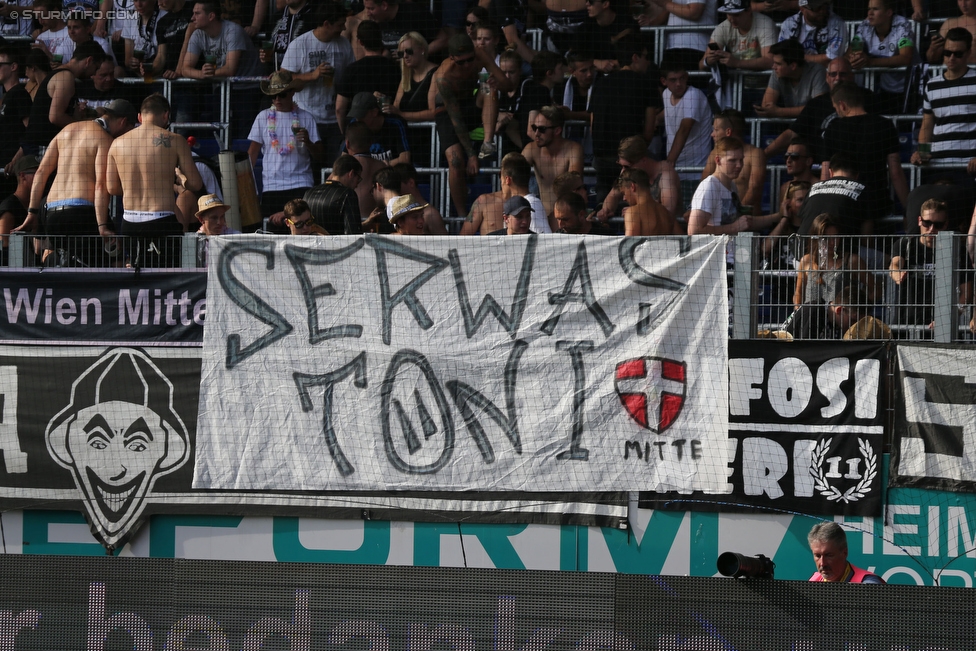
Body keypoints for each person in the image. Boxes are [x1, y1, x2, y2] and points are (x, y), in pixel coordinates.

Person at [18, 99, 136, 268]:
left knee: (61, 255)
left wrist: (32, 212)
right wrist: (102, 226)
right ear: (124, 122)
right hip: (81, 213)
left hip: (51, 213)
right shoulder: (104, 139)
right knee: (114, 258)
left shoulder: (66, 130)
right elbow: (101, 186)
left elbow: (41, 172)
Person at [105, 94, 203, 267]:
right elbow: (196, 184)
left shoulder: (117, 143)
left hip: (130, 220)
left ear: (139, 117)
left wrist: (132, 186)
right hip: (161, 220)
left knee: (137, 277)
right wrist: (180, 179)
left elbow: (112, 188)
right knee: (166, 278)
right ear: (166, 115)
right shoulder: (175, 140)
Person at [430, 33, 503, 217]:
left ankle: (488, 142)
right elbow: (455, 119)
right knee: (455, 160)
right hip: (447, 111)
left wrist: (497, 81)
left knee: (489, 88)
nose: (468, 65)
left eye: (470, 59)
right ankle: (463, 216)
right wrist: (470, 154)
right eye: (461, 62)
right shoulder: (444, 78)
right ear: (452, 58)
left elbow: (507, 85)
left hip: (469, 103)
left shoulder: (481, 56)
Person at [822, 81, 907, 232]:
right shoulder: (885, 125)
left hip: (843, 203)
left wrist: (824, 205)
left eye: (835, 108)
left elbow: (825, 170)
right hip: (876, 203)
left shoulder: (833, 127)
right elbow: (896, 173)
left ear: (842, 105)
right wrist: (908, 208)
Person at [589, 35, 662, 202]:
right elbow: (649, 131)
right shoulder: (647, 84)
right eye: (645, 56)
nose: (648, 61)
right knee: (631, 204)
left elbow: (593, 126)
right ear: (635, 57)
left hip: (601, 157)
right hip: (631, 160)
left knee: (602, 203)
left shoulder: (600, 84)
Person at [280, 1, 353, 163]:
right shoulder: (300, 45)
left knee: (335, 167)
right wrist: (312, 75)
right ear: (327, 24)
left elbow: (351, 75)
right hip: (307, 117)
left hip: (335, 119)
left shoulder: (344, 44)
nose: (344, 28)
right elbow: (282, 79)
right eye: (340, 24)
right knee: (310, 167)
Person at [891, 198, 973, 337]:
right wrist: (897, 273)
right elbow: (895, 263)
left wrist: (949, 318)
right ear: (919, 221)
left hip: (941, 325)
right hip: (906, 324)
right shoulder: (905, 244)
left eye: (938, 225)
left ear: (945, 225)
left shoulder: (956, 250)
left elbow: (967, 292)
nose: (931, 229)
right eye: (927, 223)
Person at [248, 70, 321, 223]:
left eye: (282, 94)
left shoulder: (306, 117)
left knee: (302, 230)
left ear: (292, 92)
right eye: (273, 96)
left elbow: (321, 155)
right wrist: (247, 188)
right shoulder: (263, 117)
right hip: (272, 186)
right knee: (273, 236)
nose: (277, 99)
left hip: (301, 183)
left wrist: (307, 142)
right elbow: (252, 154)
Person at [180, 0, 261, 139]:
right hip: (221, 85)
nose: (192, 18)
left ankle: (245, 159)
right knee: (219, 129)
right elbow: (184, 69)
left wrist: (208, 74)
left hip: (247, 85)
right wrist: (201, 74)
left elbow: (230, 69)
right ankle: (221, 159)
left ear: (211, 16)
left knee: (244, 131)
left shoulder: (233, 30)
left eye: (197, 13)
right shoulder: (197, 33)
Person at [17, 40, 106, 160]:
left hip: (38, 145)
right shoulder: (65, 77)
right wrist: (86, 127)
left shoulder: (59, 74)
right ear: (88, 61)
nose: (93, 74)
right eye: (96, 68)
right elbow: (55, 116)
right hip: (42, 146)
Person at [913, 27, 976, 179]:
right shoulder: (932, 85)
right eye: (947, 53)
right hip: (938, 164)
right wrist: (922, 152)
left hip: (968, 165)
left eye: (958, 54)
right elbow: (927, 126)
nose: (951, 58)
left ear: (968, 53)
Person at [700, 0, 776, 112]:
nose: (731, 19)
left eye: (736, 14)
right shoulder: (723, 28)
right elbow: (701, 65)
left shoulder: (765, 23)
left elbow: (770, 60)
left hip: (766, 88)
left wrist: (736, 63)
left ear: (749, 10)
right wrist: (708, 60)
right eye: (728, 14)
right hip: (737, 89)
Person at [793, 212, 876, 312]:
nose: (832, 242)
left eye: (835, 237)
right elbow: (798, 294)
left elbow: (876, 289)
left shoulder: (852, 261)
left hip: (841, 324)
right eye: (826, 238)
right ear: (816, 238)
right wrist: (798, 311)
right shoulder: (806, 261)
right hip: (811, 322)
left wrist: (858, 309)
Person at [849, 0, 918, 115]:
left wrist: (870, 62)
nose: (870, 13)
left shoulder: (902, 24)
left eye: (875, 9)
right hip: (886, 88)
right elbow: (853, 51)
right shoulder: (865, 25)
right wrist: (856, 58)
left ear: (889, 12)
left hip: (911, 87)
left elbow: (906, 58)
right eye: (869, 9)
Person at [661, 56, 713, 196]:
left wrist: (669, 163)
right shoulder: (666, 94)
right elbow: (669, 113)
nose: (679, 83)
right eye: (673, 80)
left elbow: (684, 129)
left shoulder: (693, 95)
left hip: (696, 173)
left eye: (682, 78)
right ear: (664, 81)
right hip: (676, 173)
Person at [335, 20, 400, 130]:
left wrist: (345, 133)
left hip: (359, 132)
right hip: (387, 130)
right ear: (381, 39)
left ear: (360, 42)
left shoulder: (351, 70)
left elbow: (339, 109)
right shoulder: (394, 68)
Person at [462, 152, 546, 234]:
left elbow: (543, 242)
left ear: (507, 179)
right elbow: (462, 240)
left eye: (500, 175)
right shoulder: (483, 201)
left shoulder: (532, 204)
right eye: (519, 216)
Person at [598, 136, 680, 219]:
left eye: (627, 166)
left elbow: (669, 212)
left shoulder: (666, 175)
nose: (623, 171)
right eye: (621, 166)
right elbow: (613, 195)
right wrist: (605, 210)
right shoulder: (628, 172)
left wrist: (638, 211)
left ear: (643, 160)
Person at [522, 105, 583, 215]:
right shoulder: (531, 149)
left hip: (566, 216)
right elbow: (514, 175)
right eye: (534, 128)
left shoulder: (573, 149)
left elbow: (573, 185)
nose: (536, 134)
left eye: (542, 129)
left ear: (557, 130)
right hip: (543, 217)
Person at [702, 109, 765, 215]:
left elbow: (755, 188)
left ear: (728, 132)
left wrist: (737, 214)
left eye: (716, 130)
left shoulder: (755, 154)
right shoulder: (714, 154)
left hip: (749, 221)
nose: (712, 134)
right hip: (722, 220)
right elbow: (704, 184)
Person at [688, 136, 752, 236]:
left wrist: (779, 216)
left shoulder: (732, 186)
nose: (739, 165)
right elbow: (694, 230)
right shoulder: (709, 186)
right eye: (732, 160)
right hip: (713, 250)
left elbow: (744, 223)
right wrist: (734, 227)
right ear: (718, 160)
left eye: (741, 160)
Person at [797, 152, 868, 235]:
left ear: (830, 172)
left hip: (801, 245)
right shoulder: (862, 189)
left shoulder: (814, 187)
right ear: (857, 175)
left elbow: (801, 220)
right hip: (838, 246)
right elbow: (866, 235)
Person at [755, 38, 827, 120]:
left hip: (811, 122)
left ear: (793, 66)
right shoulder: (777, 72)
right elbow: (767, 106)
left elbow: (817, 108)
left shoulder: (817, 71)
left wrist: (779, 112)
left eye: (778, 64)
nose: (773, 67)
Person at [302, 153, 364, 235]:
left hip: (309, 246)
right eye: (358, 178)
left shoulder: (308, 193)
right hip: (337, 247)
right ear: (351, 173)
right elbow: (353, 234)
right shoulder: (348, 194)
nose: (357, 184)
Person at [651, 0, 718, 73]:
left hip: (693, 47)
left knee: (687, 82)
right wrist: (651, 23)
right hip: (674, 46)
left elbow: (694, 12)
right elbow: (672, 8)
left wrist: (664, 3)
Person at [362, 0, 446, 57]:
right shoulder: (378, 20)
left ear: (384, 5)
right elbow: (388, 48)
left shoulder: (414, 12)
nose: (368, 13)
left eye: (371, 8)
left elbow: (443, 39)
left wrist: (418, 54)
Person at [808, 522, 885, 583]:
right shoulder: (814, 581)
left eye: (829, 555)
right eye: (817, 556)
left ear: (844, 553)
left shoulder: (869, 584)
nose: (822, 563)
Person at [778, 0, 848, 66]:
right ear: (802, 9)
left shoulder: (837, 23)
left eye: (825, 6)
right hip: (798, 73)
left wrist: (796, 57)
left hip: (825, 73)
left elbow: (832, 58)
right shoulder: (789, 24)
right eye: (817, 8)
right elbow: (783, 56)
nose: (822, 11)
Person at [0, 47, 33, 186]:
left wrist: (15, 160)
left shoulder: (19, 94)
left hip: (12, 170)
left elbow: (31, 130)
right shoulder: (9, 95)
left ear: (13, 66)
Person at [343, 121, 389, 219]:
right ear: (371, 143)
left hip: (352, 223)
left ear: (347, 144)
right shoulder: (382, 166)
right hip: (377, 223)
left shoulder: (345, 165)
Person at [579, 0, 638, 72]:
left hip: (623, 75)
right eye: (586, 1)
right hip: (593, 76)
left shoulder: (628, 25)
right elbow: (575, 57)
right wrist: (596, 62)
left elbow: (635, 58)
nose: (587, 4)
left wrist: (608, 64)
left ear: (605, 4)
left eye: (591, 1)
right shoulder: (585, 28)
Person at [0, 155, 38, 264]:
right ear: (23, 176)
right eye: (36, 173)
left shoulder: (36, 205)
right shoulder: (9, 207)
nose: (40, 177)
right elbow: (3, 243)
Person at [619, 168, 678, 236]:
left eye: (624, 193)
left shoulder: (632, 212)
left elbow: (630, 244)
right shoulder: (667, 213)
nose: (624, 198)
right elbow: (683, 239)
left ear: (633, 187)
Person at [392, 162, 447, 235]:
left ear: (411, 183)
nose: (394, 189)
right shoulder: (394, 210)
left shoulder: (431, 214)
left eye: (397, 185)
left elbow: (445, 244)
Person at [264, 0, 314, 70]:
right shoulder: (276, 17)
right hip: (274, 74)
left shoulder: (314, 17)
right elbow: (267, 45)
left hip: (301, 75)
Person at [194, 193, 239, 266]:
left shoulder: (235, 236)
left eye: (222, 217)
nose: (219, 222)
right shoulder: (194, 243)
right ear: (201, 219)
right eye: (214, 218)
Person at [926, 0, 976, 64]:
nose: (963, 4)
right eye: (960, 0)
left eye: (967, 0)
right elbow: (932, 59)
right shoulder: (949, 23)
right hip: (948, 72)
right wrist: (933, 49)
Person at [778, 136, 817, 200]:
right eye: (786, 156)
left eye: (794, 156)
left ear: (808, 161)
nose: (788, 160)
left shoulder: (820, 187)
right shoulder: (785, 188)